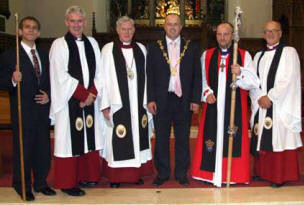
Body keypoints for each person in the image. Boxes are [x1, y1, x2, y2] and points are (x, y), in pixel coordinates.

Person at [191, 22, 259, 187]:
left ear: (233, 36)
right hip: (212, 107)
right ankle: (209, 174)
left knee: (232, 137)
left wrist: (241, 72)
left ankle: (234, 174)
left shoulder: (244, 56)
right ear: (216, 36)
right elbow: (201, 80)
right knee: (211, 137)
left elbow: (254, 82)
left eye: (226, 34)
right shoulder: (207, 55)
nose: (222, 37)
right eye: (219, 34)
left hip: (235, 108)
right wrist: (206, 93)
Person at [49, 6, 104, 196]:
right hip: (68, 104)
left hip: (89, 102)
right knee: (68, 142)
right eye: (72, 21)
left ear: (85, 22)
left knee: (89, 139)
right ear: (66, 22)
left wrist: (92, 95)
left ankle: (88, 176)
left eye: (79, 21)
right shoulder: (59, 45)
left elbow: (100, 73)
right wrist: (83, 95)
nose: (76, 25)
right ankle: (67, 183)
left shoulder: (93, 44)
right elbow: (60, 76)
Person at [0, 16, 56, 201]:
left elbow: (49, 80)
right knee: (24, 149)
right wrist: (12, 80)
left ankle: (40, 182)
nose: (31, 30)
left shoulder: (44, 54)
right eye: (27, 27)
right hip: (23, 110)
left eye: (34, 28)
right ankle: (22, 184)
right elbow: (2, 82)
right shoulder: (10, 55)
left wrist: (48, 94)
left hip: (41, 111)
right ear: (20, 31)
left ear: (39, 33)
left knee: (42, 149)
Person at [146, 13, 201, 186]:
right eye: (169, 24)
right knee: (161, 138)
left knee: (183, 138)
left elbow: (197, 76)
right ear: (164, 26)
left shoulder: (191, 48)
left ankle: (181, 172)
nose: (172, 27)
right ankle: (162, 173)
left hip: (183, 100)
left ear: (181, 27)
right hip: (162, 99)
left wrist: (195, 99)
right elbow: (150, 75)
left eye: (176, 24)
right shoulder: (154, 48)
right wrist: (151, 99)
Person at [100, 16, 153, 188]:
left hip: (137, 102)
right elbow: (102, 78)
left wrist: (148, 102)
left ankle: (134, 174)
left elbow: (148, 77)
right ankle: (115, 177)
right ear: (117, 30)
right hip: (117, 103)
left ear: (134, 30)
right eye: (124, 29)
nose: (127, 32)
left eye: (130, 29)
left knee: (137, 136)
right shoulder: (108, 50)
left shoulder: (141, 49)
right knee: (118, 137)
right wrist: (105, 103)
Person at [250, 21, 302, 188]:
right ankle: (262, 172)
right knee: (261, 136)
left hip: (279, 105)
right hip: (261, 104)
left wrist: (270, 98)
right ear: (263, 35)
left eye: (274, 31)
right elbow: (253, 81)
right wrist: (259, 96)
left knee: (278, 138)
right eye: (267, 31)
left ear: (280, 33)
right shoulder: (258, 55)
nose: (270, 34)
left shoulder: (289, 52)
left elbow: (287, 79)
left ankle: (280, 176)